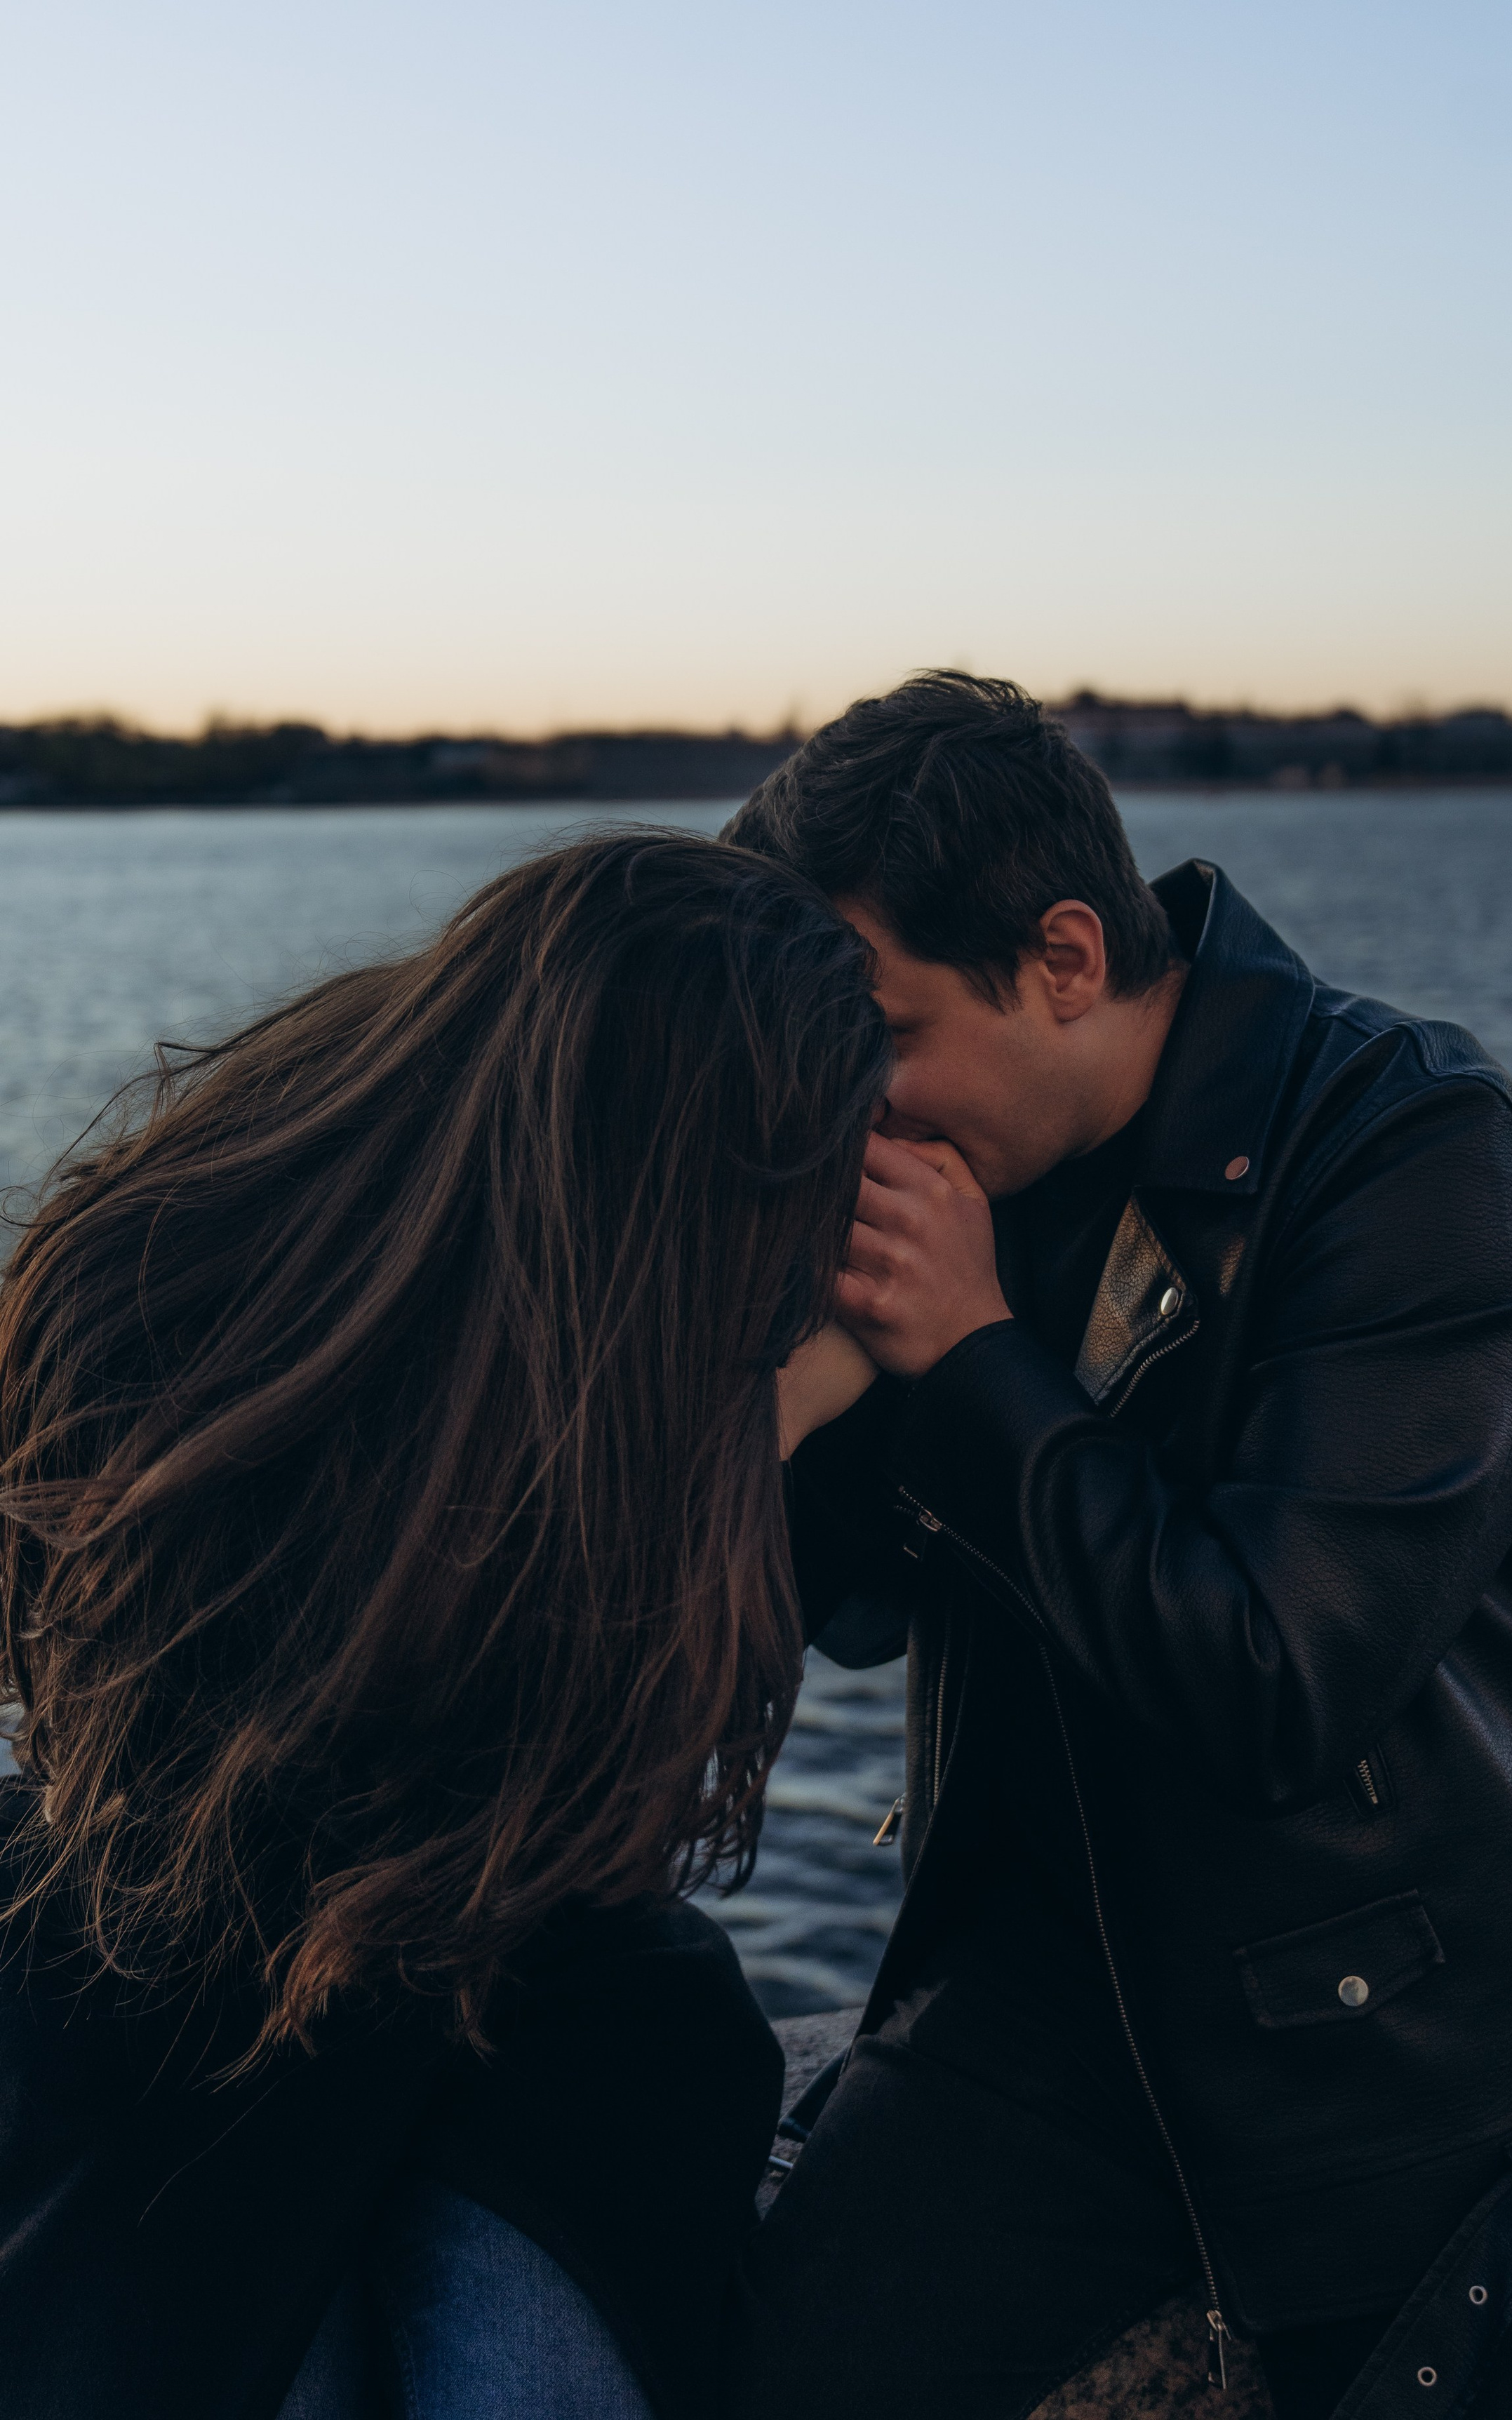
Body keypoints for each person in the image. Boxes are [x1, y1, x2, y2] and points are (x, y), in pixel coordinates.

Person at [725, 675, 1512, 2420]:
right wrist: (779, 1404)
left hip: (1460, 2069)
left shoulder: (1417, 1151)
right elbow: (862, 1614)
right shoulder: (977, 1167)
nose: (853, 1110)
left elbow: (1272, 1680)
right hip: (1061, 2010)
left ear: (1059, 958)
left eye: (878, 1037)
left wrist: (971, 1359)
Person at [0, 831, 888, 2420]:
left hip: (175, 1949)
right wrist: (783, 1408)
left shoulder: (236, 1199)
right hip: (261, 1984)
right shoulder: (608, 1388)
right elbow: (598, 1808)